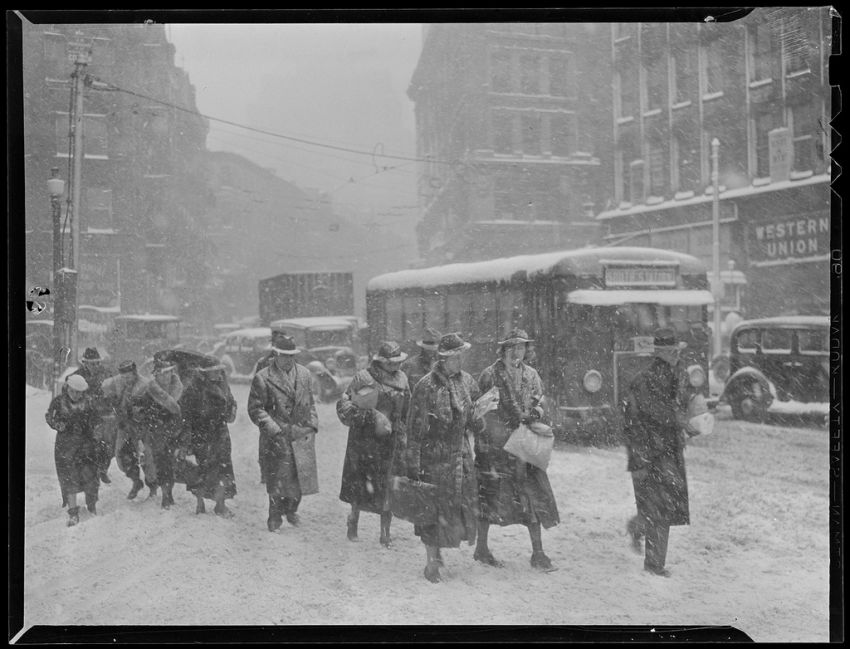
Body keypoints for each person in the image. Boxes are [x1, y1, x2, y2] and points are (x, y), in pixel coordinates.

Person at [406, 332, 494, 583]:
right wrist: (413, 464)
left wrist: (479, 421)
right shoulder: (426, 386)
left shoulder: (467, 381)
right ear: (444, 358)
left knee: (456, 508)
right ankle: (431, 563)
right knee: (433, 509)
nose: (461, 360)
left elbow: (476, 416)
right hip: (435, 458)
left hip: (461, 456)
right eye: (456, 356)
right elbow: (414, 429)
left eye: (462, 355)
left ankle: (442, 549)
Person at [475, 328, 560, 570]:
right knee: (489, 498)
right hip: (497, 449)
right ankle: (481, 548)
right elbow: (482, 411)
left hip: (524, 448)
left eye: (521, 347)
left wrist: (535, 414)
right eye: (512, 347)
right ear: (503, 350)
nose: (517, 352)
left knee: (532, 498)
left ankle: (539, 553)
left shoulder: (532, 375)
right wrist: (501, 428)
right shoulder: (490, 375)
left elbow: (542, 402)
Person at [622, 328, 693, 577]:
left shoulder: (670, 376)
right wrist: (680, 421)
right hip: (652, 454)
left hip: (658, 453)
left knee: (660, 509)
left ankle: (639, 529)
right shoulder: (649, 379)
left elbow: (668, 413)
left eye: (677, 351)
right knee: (660, 510)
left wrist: (684, 423)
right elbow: (653, 416)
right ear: (661, 352)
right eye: (672, 351)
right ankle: (654, 563)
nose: (676, 355)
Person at [337, 340, 411, 546]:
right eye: (391, 363)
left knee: (387, 488)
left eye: (398, 362)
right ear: (381, 362)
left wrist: (403, 430)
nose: (395, 367)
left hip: (391, 442)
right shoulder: (364, 378)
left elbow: (408, 410)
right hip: (365, 443)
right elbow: (344, 406)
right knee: (360, 486)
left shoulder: (403, 379)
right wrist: (369, 416)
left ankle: (385, 532)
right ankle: (353, 520)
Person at [248, 332, 319, 531]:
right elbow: (256, 409)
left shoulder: (304, 374)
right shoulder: (263, 378)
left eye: (291, 356)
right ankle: (275, 516)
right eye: (284, 355)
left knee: (300, 478)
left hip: (301, 434)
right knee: (278, 479)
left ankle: (291, 509)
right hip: (277, 436)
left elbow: (311, 403)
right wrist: (275, 430)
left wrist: (312, 425)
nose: (288, 360)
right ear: (275, 355)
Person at [101, 360, 181, 500]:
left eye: (129, 376)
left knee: (148, 458)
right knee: (121, 456)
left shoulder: (145, 385)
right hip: (124, 426)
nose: (126, 379)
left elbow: (159, 400)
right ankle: (136, 481)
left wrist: (142, 411)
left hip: (144, 427)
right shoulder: (116, 382)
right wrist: (110, 401)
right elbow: (104, 388)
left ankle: (153, 486)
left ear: (135, 373)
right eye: (124, 377)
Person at [178, 361, 238, 517]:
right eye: (213, 371)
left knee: (223, 469)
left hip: (221, 435)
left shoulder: (223, 386)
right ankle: (200, 503)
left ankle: (220, 504)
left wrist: (232, 409)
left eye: (219, 370)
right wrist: (186, 438)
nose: (217, 373)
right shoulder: (193, 389)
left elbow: (231, 403)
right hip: (202, 436)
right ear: (205, 372)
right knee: (202, 470)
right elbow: (185, 416)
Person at [45, 374, 100, 526]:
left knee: (90, 476)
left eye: (79, 392)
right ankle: (73, 513)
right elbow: (50, 416)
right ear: (67, 388)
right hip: (66, 446)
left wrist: (95, 430)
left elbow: (97, 420)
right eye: (73, 391)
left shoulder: (89, 403)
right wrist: (57, 424)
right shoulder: (58, 402)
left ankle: (92, 506)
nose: (76, 394)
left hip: (86, 445)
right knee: (69, 477)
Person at [145, 356, 184, 509]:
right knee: (162, 463)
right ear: (156, 375)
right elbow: (144, 413)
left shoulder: (179, 388)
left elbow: (185, 412)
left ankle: (169, 493)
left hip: (176, 432)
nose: (166, 376)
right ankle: (165, 494)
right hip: (157, 433)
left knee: (172, 464)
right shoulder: (150, 392)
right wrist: (156, 419)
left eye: (169, 373)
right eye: (163, 374)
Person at [71, 347, 114, 484]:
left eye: (97, 363)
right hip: (86, 416)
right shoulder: (76, 377)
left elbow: (114, 393)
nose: (95, 366)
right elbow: (70, 394)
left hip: (104, 415)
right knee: (89, 445)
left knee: (107, 445)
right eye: (91, 363)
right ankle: (92, 472)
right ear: (85, 363)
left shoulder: (107, 374)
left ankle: (103, 469)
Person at [400, 326, 440, 391]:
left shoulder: (441, 366)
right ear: (422, 348)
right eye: (428, 349)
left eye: (433, 349)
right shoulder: (409, 365)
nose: (431, 352)